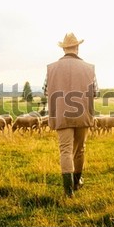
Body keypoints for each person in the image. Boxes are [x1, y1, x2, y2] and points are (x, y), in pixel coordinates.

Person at [43, 33, 98, 197]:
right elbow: (95, 92)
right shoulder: (89, 68)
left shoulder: (51, 68)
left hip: (61, 115)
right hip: (82, 113)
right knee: (79, 149)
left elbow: (47, 91)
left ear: (64, 49)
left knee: (65, 150)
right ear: (77, 48)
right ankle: (77, 182)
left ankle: (68, 192)